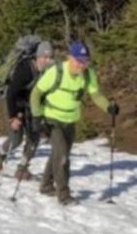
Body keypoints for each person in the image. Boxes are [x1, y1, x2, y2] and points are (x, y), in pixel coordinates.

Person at [30, 41, 119, 205]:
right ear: (69, 58)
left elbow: (96, 94)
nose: (82, 65)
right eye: (78, 60)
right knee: (62, 155)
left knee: (59, 154)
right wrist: (37, 116)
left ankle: (46, 185)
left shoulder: (88, 74)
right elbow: (36, 93)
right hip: (52, 118)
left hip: (70, 120)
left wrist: (108, 107)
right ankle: (64, 195)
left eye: (85, 61)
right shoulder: (56, 71)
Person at [0, 42, 54, 179]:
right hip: (15, 103)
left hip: (32, 106)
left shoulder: (48, 72)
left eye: (49, 57)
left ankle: (22, 168)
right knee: (16, 138)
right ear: (37, 56)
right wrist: (13, 117)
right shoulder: (26, 69)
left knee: (34, 137)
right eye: (44, 57)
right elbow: (12, 92)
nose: (47, 60)